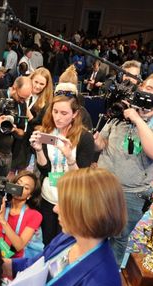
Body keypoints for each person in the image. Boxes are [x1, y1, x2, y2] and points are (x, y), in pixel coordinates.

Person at [6, 167, 125, 286]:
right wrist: (4, 266)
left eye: (63, 203)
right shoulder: (69, 238)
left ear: (84, 213)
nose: (55, 208)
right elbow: (37, 265)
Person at [95, 73, 153, 266]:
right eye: (149, 88)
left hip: (132, 193)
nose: (152, 93)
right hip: (102, 184)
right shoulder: (122, 110)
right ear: (141, 88)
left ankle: (109, 276)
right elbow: (101, 144)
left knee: (118, 236)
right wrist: (95, 139)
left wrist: (137, 119)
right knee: (93, 229)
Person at [30, 94, 95, 245]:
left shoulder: (84, 137)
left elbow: (81, 176)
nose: (58, 117)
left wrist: (69, 157)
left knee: (63, 243)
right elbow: (45, 169)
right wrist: (38, 150)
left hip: (70, 200)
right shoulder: (48, 132)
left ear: (75, 114)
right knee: (47, 240)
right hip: (48, 195)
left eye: (64, 113)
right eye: (55, 111)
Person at [0, 171, 43, 258]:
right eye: (18, 183)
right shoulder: (0, 205)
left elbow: (19, 246)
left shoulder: (35, 215)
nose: (19, 188)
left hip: (18, 260)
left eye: (26, 188)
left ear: (29, 195)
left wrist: (3, 221)